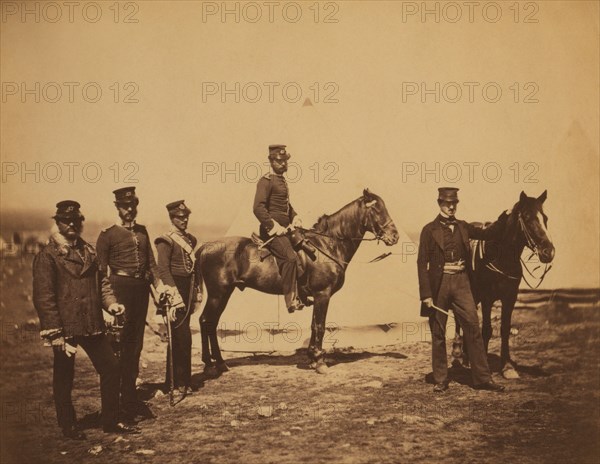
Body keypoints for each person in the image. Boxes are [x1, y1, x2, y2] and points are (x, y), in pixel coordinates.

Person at [32, 201, 139, 438]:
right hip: (65, 327)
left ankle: (111, 421)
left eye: (75, 220)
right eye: (65, 221)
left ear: (81, 222)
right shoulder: (48, 256)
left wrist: (112, 304)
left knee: (111, 367)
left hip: (91, 323)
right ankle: (68, 425)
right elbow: (44, 297)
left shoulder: (89, 251)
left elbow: (102, 284)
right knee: (64, 375)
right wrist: (55, 332)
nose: (71, 224)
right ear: (57, 223)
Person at [417, 187, 508, 393]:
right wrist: (426, 295)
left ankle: (483, 379)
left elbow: (488, 234)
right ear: (439, 203)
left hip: (462, 283)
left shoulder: (463, 227)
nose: (451, 207)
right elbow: (422, 263)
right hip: (438, 285)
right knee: (438, 332)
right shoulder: (428, 230)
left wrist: (504, 217)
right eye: (447, 203)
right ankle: (441, 378)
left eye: (454, 203)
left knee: (473, 327)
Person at [96, 187, 164, 421]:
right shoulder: (108, 235)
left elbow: (152, 265)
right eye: (125, 206)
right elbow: (100, 273)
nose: (130, 210)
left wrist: (160, 286)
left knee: (135, 344)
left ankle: (130, 396)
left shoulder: (143, 232)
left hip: (141, 290)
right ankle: (114, 401)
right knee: (118, 344)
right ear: (117, 207)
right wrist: (107, 305)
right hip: (119, 289)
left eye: (133, 205)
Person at [253, 144, 310, 313]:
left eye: (285, 161)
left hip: (286, 228)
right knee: (290, 258)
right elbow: (258, 208)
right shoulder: (266, 181)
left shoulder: (282, 181)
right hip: (273, 231)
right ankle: (291, 300)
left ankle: (305, 292)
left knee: (307, 247)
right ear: (271, 161)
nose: (283, 164)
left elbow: (285, 206)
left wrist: (295, 216)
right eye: (279, 161)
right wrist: (273, 227)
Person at [155, 200, 202, 400]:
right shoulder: (165, 241)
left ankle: (181, 381)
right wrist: (173, 294)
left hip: (188, 289)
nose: (183, 220)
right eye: (179, 218)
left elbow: (194, 270)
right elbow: (163, 269)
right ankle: (175, 383)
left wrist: (198, 289)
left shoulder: (191, 240)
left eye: (185, 217)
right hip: (173, 290)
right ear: (171, 219)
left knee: (183, 337)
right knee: (180, 337)